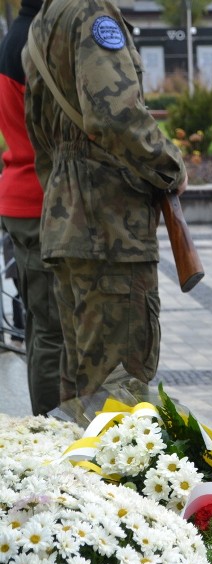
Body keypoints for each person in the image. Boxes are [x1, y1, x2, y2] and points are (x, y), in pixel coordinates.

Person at [23, 0, 188, 403]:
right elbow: (114, 113)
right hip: (110, 228)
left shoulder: (45, 19)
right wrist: (171, 166)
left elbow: (39, 133)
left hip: (70, 223)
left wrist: (65, 198)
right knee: (119, 397)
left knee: (82, 392)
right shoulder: (93, 12)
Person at [0, 0, 64, 415]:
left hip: (23, 196)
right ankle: (50, 431)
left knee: (41, 326)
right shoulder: (36, 41)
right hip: (40, 200)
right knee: (52, 331)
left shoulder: (16, 37)